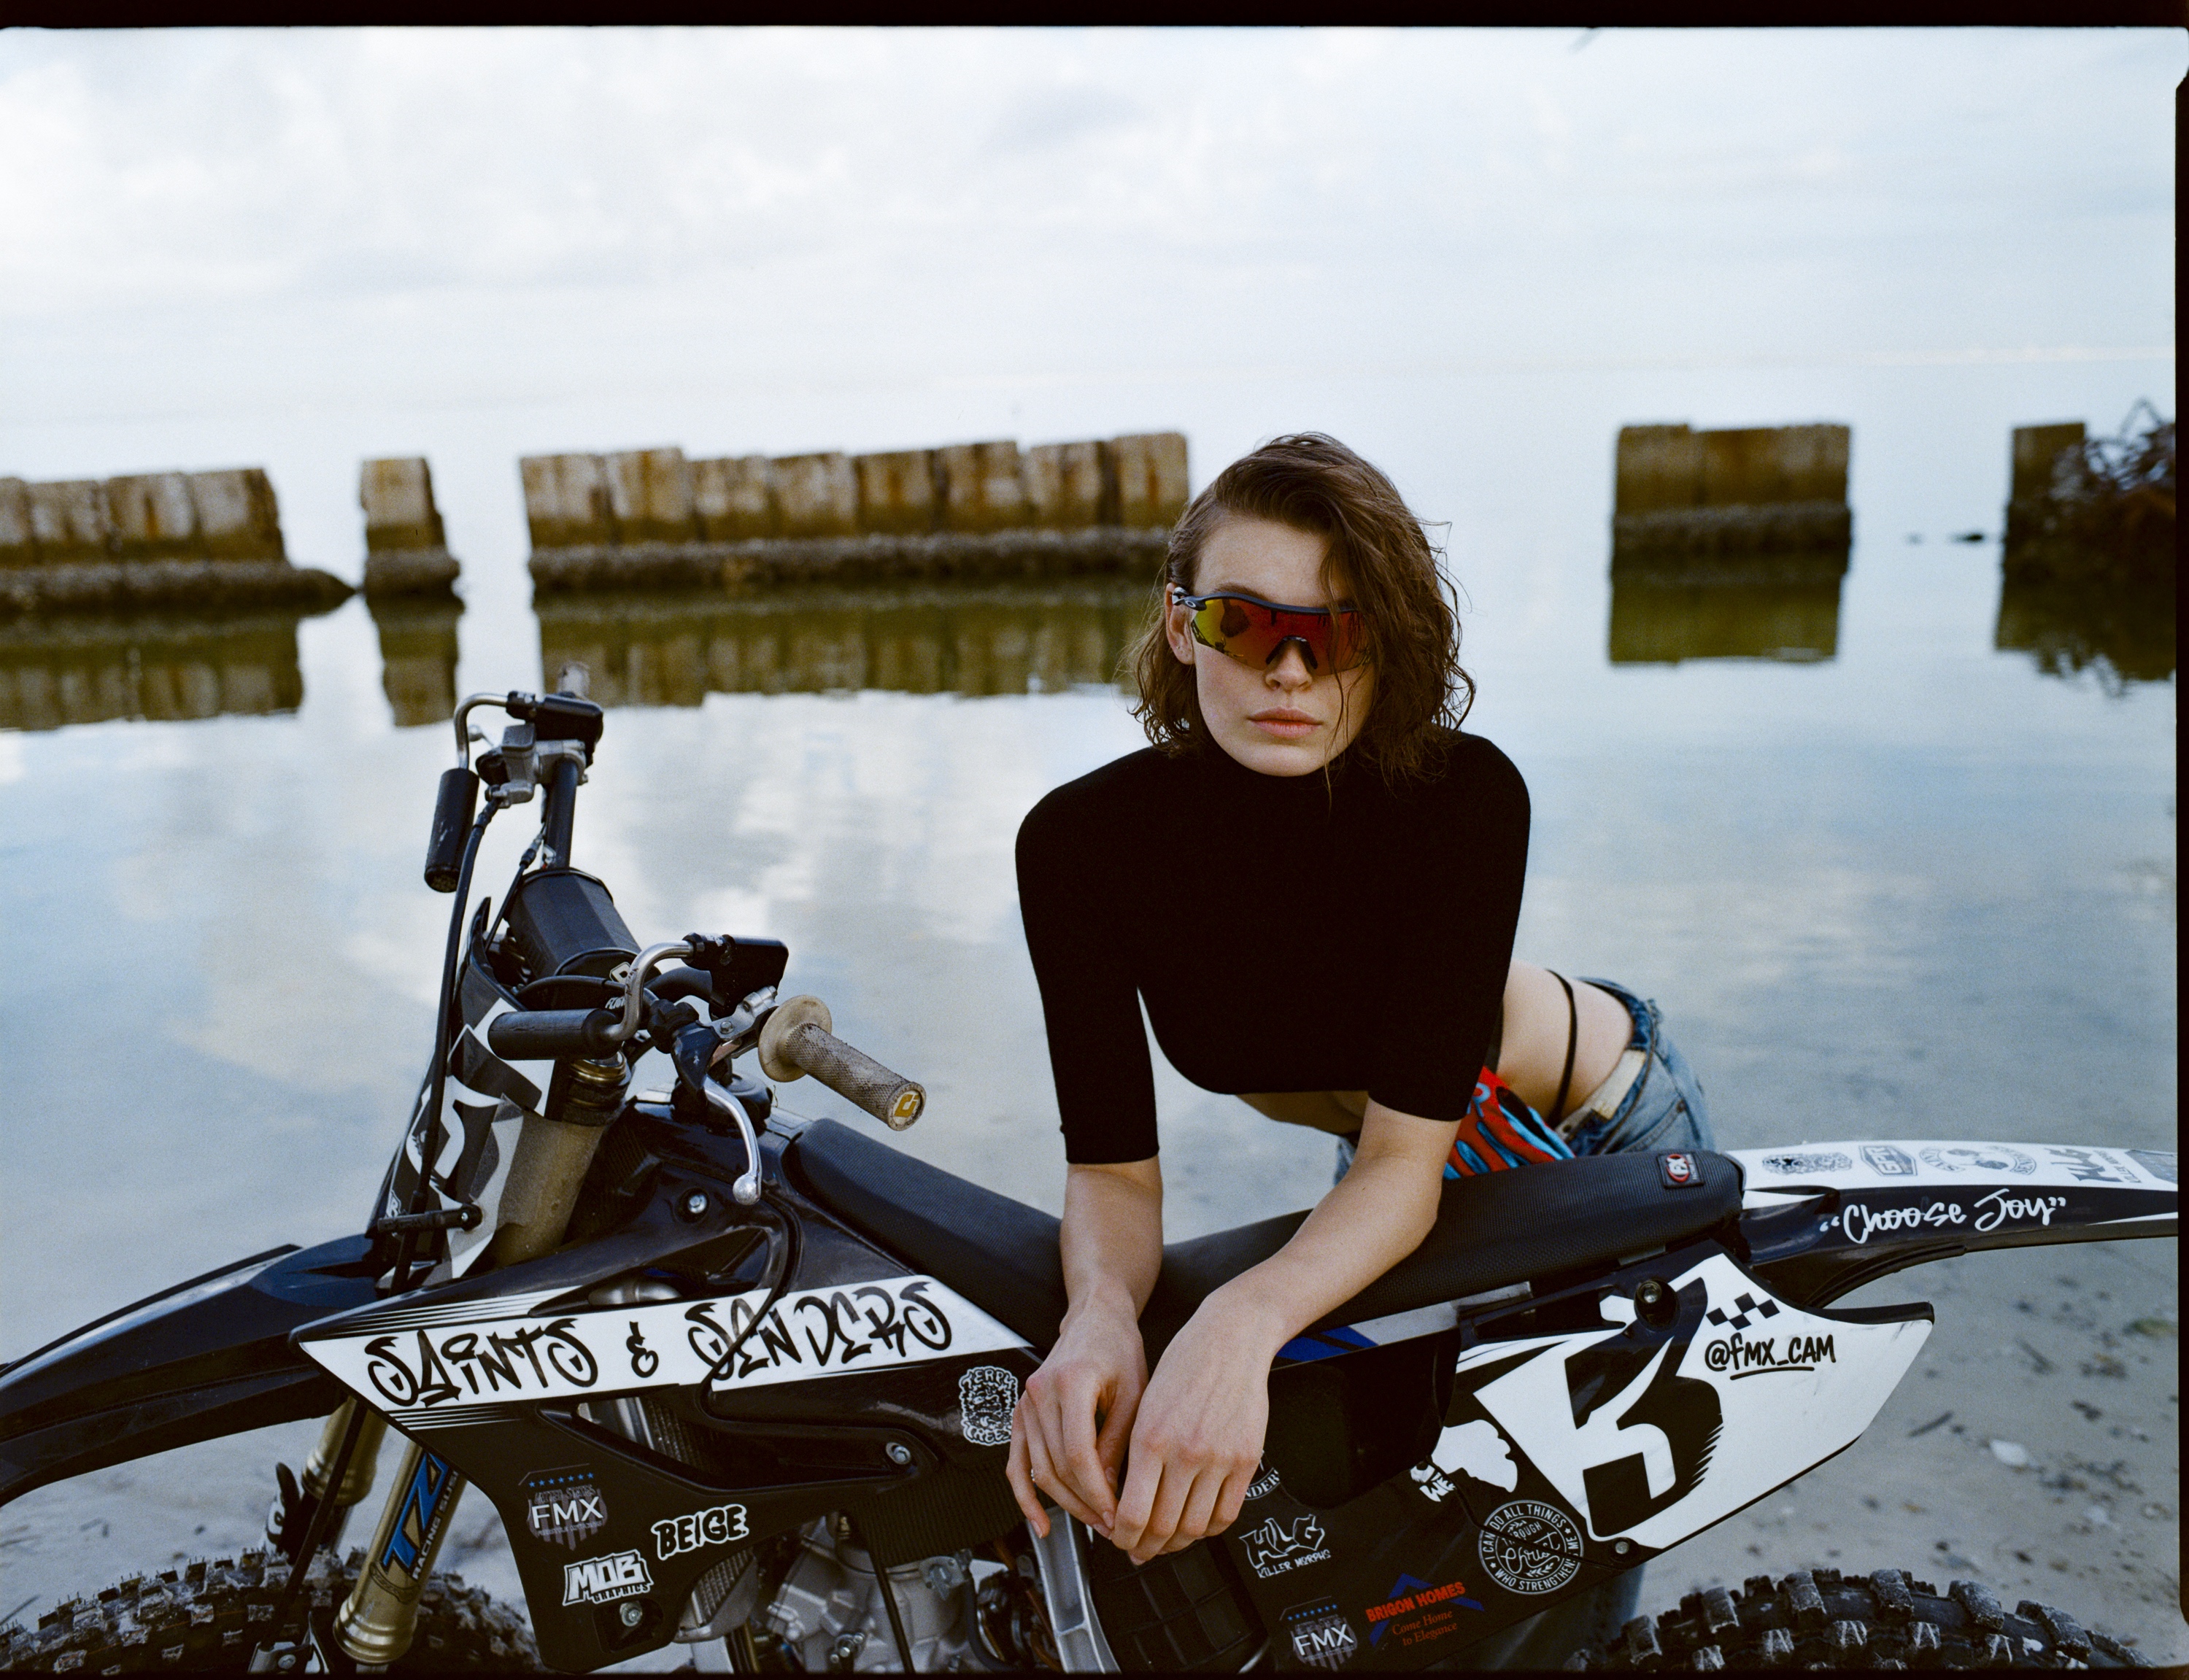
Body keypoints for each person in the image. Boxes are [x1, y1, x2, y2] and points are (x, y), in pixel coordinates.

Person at [1005, 433, 1713, 1665]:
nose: (1289, 670)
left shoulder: (1462, 802)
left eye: (1337, 633)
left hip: (1583, 1131)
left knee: (1549, 1563)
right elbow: (1113, 1174)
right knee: (1400, 1548)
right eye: (1244, 623)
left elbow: (1402, 1168)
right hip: (1397, 1150)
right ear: (1181, 626)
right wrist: (1100, 1318)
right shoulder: (1081, 846)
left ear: (1388, 642)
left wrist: (1236, 1322)